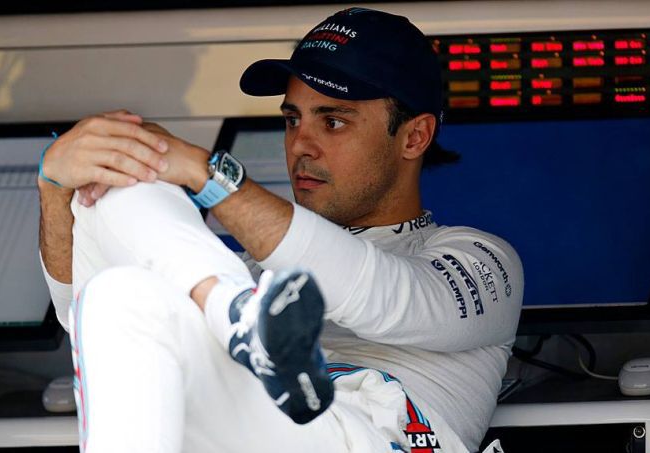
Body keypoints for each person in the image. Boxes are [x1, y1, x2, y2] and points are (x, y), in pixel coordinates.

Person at [38, 7, 523, 453]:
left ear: (414, 137)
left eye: (333, 122)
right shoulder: (238, 269)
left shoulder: (479, 258)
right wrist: (54, 184)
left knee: (145, 172)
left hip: (372, 437)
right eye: (293, 120)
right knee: (119, 287)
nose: (301, 145)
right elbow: (80, 311)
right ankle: (232, 313)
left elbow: (374, 292)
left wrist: (204, 172)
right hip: (252, 412)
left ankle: (235, 317)